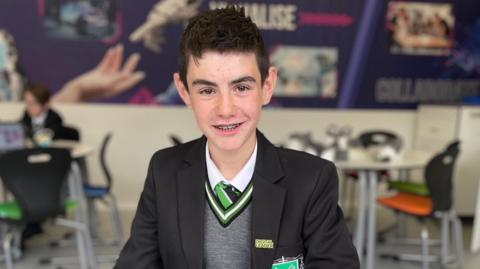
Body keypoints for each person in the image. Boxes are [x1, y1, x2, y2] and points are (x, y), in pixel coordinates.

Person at [115, 5, 359, 269]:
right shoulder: (164, 171)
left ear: (267, 87)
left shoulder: (312, 180)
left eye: (241, 87)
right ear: (184, 91)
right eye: (207, 90)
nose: (226, 109)